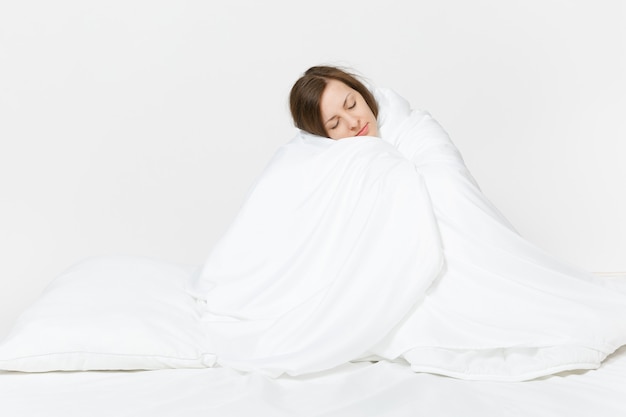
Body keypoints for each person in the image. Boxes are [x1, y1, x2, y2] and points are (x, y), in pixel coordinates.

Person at [190, 65, 626, 380]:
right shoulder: (324, 162)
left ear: (362, 92)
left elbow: (453, 192)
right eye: (335, 123)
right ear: (321, 136)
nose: (355, 122)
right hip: (374, 270)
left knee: (516, 290)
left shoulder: (409, 127)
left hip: (453, 252)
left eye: (352, 104)